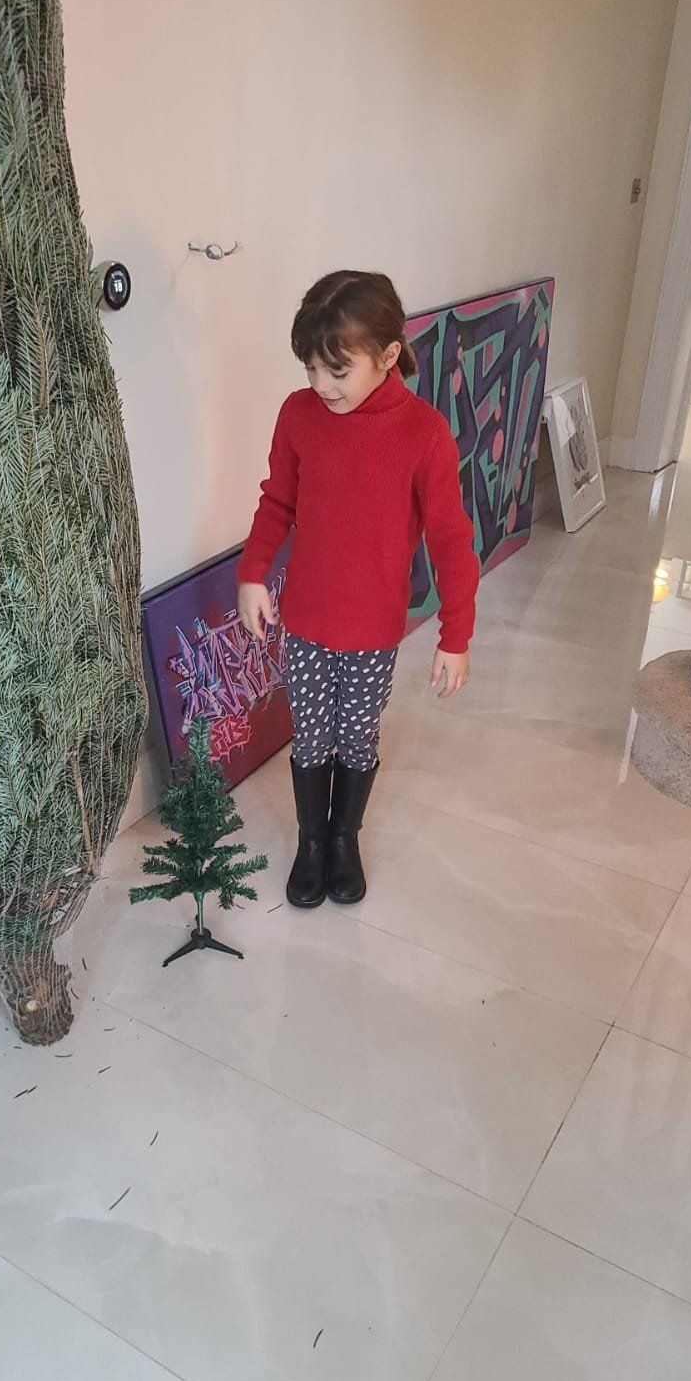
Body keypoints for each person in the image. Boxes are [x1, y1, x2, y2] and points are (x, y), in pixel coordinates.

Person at [237, 270, 479, 910]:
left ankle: (345, 839)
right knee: (311, 735)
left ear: (389, 355)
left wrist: (456, 635)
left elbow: (451, 542)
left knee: (357, 735)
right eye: (311, 368)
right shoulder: (299, 415)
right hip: (307, 620)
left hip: (373, 629)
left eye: (337, 371)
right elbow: (277, 501)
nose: (321, 384)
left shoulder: (423, 433)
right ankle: (311, 842)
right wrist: (252, 572)